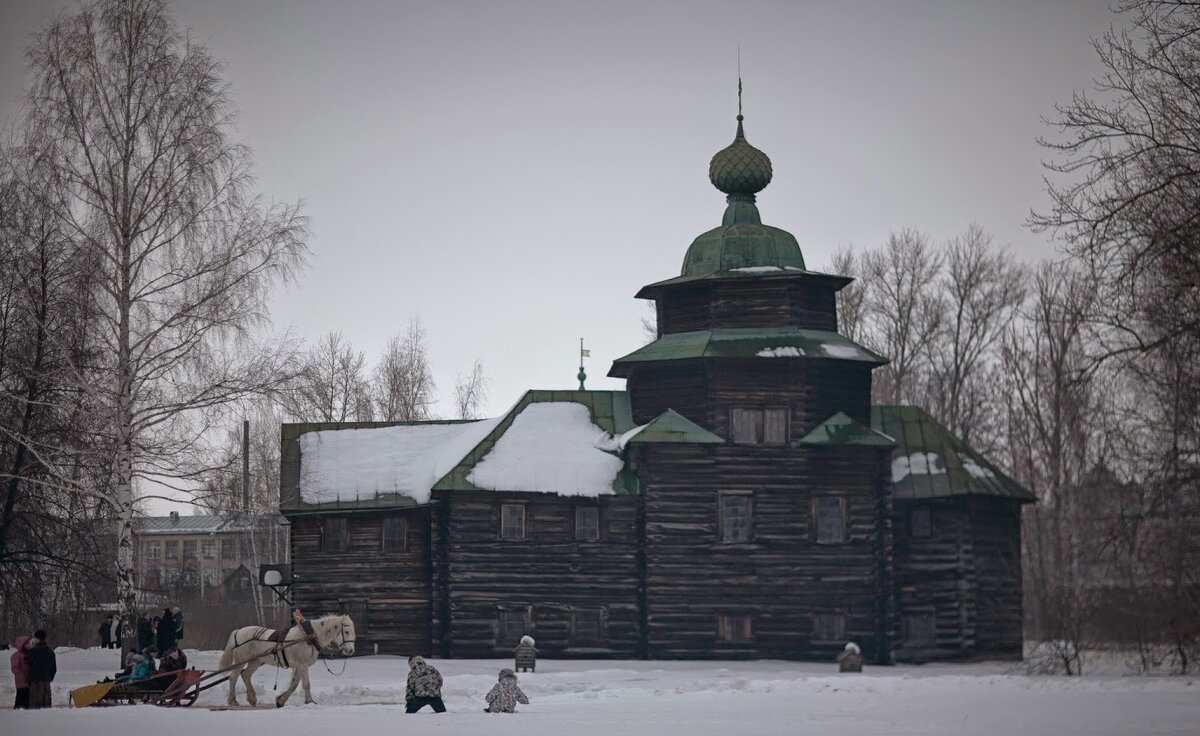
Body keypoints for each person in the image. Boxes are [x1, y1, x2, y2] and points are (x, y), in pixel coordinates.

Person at [26, 629, 56, 709]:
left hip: (35, 681)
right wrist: (49, 678)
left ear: (36, 639)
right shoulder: (50, 652)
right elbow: (54, 669)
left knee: (35, 707)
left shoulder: (32, 651)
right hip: (46, 681)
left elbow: (27, 664)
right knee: (46, 707)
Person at [9, 634, 30, 710]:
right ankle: (17, 711)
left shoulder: (28, 654)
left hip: (29, 681)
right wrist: (22, 676)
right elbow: (15, 668)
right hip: (21, 681)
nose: (28, 645)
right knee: (21, 698)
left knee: (27, 699)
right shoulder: (16, 655)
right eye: (26, 643)